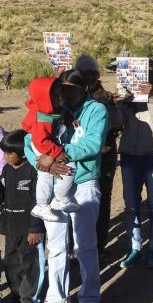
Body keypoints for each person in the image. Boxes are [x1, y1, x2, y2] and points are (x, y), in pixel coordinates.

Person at [29, 69, 108, 303]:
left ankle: (90, 296)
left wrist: (56, 155)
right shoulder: (53, 107)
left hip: (83, 182)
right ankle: (56, 297)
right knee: (55, 246)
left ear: (83, 88)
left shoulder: (97, 110)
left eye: (69, 88)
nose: (64, 92)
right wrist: (42, 157)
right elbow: (28, 139)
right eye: (61, 88)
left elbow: (92, 144)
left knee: (84, 244)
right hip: (55, 183)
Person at [116, 60, 153, 269]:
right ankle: (135, 247)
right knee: (131, 204)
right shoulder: (129, 95)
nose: (142, 79)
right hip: (129, 153)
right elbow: (119, 124)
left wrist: (151, 98)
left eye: (147, 75)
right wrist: (118, 103)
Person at [75, 54, 122, 259]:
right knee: (73, 200)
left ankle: (99, 246)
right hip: (77, 155)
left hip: (104, 155)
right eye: (85, 73)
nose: (90, 77)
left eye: (93, 73)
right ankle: (75, 246)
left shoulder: (108, 97)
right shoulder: (70, 96)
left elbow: (118, 126)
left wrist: (115, 108)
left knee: (101, 199)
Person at [22, 76, 78, 222]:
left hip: (47, 143)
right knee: (53, 173)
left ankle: (49, 203)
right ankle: (49, 203)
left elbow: (58, 119)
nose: (59, 97)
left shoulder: (47, 109)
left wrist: (69, 119)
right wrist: (57, 152)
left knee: (46, 175)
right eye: (55, 95)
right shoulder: (42, 118)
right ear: (44, 97)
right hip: (44, 145)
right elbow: (40, 140)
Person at [1, 129, 46, 303]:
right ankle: (16, 292)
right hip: (11, 226)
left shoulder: (34, 172)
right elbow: (4, 193)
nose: (4, 157)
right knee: (12, 261)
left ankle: (29, 297)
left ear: (23, 154)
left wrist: (35, 228)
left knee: (30, 263)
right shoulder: (7, 170)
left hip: (29, 229)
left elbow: (38, 201)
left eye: (9, 153)